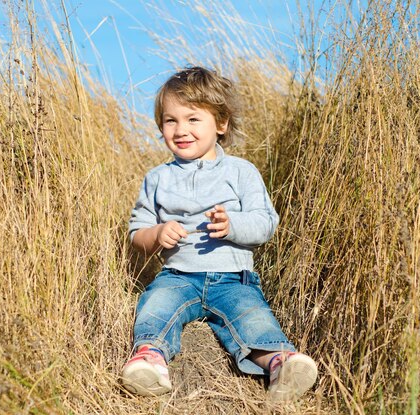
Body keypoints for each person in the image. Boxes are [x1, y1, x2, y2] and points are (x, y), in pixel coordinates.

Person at [121, 66, 317, 401]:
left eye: (193, 119)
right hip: (177, 276)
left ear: (221, 124)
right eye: (171, 120)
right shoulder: (158, 178)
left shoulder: (241, 171)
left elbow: (265, 222)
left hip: (232, 278)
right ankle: (150, 360)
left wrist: (233, 225)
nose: (181, 129)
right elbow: (136, 233)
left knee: (251, 319)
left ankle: (281, 363)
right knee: (155, 306)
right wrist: (156, 234)